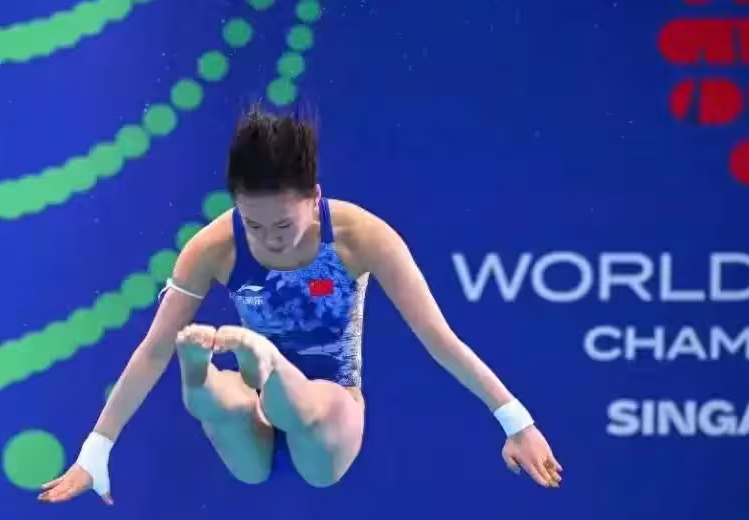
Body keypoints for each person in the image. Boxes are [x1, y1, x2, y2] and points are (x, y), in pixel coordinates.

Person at [38, 104, 563, 505]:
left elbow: (439, 339)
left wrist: (516, 422)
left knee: (317, 409)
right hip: (255, 410)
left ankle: (261, 365)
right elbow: (154, 350)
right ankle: (208, 379)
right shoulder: (211, 248)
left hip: (333, 406)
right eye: (253, 224)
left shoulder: (362, 237)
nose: (269, 239)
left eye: (283, 224)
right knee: (223, 406)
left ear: (314, 198)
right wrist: (96, 450)